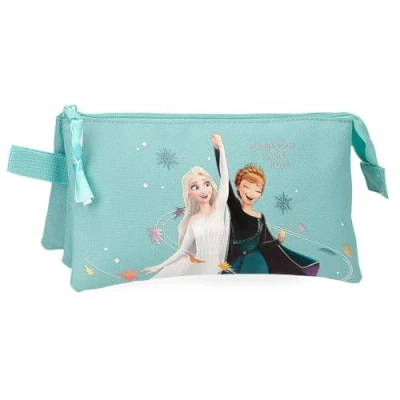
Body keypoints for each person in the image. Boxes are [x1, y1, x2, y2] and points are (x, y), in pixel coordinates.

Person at [214, 150, 320, 276]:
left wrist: (278, 241)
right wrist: (218, 149)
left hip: (258, 265)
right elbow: (224, 178)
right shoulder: (235, 208)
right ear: (237, 185)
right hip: (235, 263)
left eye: (257, 190)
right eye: (247, 186)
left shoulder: (260, 217)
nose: (251, 193)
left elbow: (261, 245)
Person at [142, 134, 230, 278]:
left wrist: (221, 148)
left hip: (215, 267)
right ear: (190, 194)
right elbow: (182, 251)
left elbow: (225, 177)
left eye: (206, 184)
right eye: (195, 187)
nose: (203, 190)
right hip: (197, 267)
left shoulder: (218, 209)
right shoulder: (193, 220)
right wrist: (160, 266)